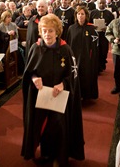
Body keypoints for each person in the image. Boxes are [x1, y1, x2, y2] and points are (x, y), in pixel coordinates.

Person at [21, 14, 84, 166]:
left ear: (57, 32)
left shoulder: (65, 50)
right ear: (40, 32)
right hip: (40, 95)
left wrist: (63, 84)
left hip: (59, 96)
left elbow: (73, 75)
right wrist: (34, 78)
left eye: (50, 31)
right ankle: (46, 153)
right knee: (41, 125)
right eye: (44, 30)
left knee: (58, 126)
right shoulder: (36, 48)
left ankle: (60, 156)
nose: (47, 34)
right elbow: (28, 72)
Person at [67, 6, 99, 100]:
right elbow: (68, 44)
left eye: (82, 14)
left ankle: (85, 95)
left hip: (86, 58)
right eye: (79, 14)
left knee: (85, 76)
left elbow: (95, 47)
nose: (80, 16)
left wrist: (92, 59)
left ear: (86, 16)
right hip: (74, 58)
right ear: (76, 15)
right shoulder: (71, 28)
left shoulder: (91, 29)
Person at [89, 0, 114, 72]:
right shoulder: (93, 12)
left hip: (104, 36)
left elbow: (112, 25)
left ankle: (102, 65)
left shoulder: (109, 14)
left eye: (103, 3)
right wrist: (92, 26)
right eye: (100, 3)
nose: (102, 4)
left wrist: (107, 28)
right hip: (95, 36)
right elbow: (89, 23)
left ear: (105, 3)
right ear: (97, 3)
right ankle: (95, 66)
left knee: (103, 51)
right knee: (95, 51)